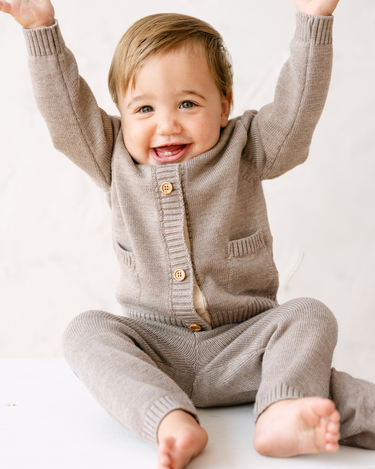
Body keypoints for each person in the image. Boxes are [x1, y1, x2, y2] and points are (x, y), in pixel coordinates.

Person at [1, 0, 374, 468]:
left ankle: (280, 412)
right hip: (156, 351)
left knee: (309, 316)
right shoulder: (110, 155)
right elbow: (65, 113)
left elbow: (297, 112)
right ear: (120, 114)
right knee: (84, 331)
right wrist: (41, 28)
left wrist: (314, 19)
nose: (166, 124)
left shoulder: (248, 146)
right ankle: (170, 420)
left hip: (249, 349)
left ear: (224, 104)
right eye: (143, 108)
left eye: (187, 103)